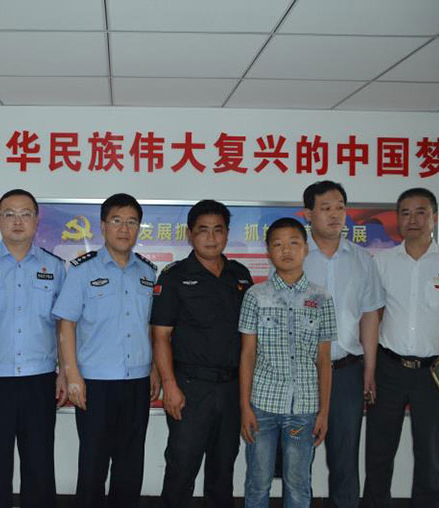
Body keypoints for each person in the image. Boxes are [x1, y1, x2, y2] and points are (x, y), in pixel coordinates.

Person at [362, 188, 439, 508]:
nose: (412, 219)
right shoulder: (382, 262)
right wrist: (369, 371)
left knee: (430, 456)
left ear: (434, 217)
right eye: (405, 213)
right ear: (397, 219)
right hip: (388, 369)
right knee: (378, 452)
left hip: (434, 374)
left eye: (421, 212)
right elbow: (372, 317)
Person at [0, 189, 67, 508]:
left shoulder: (55, 267)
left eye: (25, 214)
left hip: (40, 379)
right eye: (9, 214)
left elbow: (64, 326)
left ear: (36, 220)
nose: (17, 221)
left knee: (39, 465)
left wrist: (64, 373)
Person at [52, 193, 159, 508]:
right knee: (93, 464)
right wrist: (72, 375)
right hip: (95, 383)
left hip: (137, 381)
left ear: (138, 228)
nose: (124, 229)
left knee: (130, 464)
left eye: (131, 222)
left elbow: (150, 326)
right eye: (116, 221)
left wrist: (153, 369)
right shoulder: (82, 271)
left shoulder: (148, 273)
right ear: (102, 226)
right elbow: (66, 324)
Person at [151, 199, 253, 508]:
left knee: (223, 467)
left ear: (227, 233)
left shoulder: (239, 275)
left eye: (218, 230)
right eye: (203, 230)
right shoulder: (175, 276)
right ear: (189, 234)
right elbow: (160, 336)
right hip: (190, 388)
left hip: (231, 387)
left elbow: (250, 339)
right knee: (182, 466)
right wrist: (170, 386)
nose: (211, 237)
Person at [238, 217, 335, 508]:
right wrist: (245, 407)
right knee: (258, 481)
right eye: (278, 244)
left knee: (298, 483)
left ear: (306, 248)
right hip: (262, 407)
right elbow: (247, 354)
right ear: (269, 251)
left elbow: (324, 359)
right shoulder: (255, 296)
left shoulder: (321, 297)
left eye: (294, 243)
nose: (286, 250)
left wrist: (324, 412)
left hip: (302, 410)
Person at [302, 181, 383, 508]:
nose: (335, 215)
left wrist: (369, 369)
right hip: (302, 373)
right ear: (308, 214)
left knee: (345, 459)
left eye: (340, 208)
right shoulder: (295, 254)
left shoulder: (362, 259)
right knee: (297, 459)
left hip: (347, 372)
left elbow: (370, 316)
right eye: (325, 208)